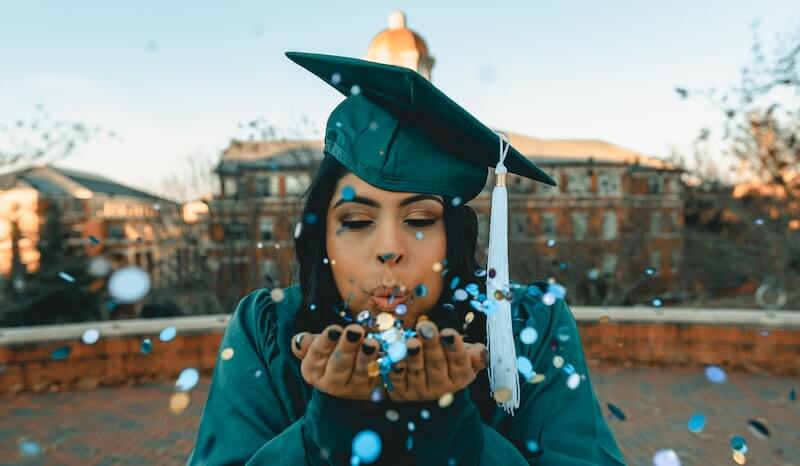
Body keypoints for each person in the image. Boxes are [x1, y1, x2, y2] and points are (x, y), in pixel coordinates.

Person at [187, 52, 625, 466]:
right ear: (323, 238)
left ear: (453, 237)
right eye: (357, 222)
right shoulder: (270, 330)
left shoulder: (525, 327)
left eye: (419, 219)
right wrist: (329, 432)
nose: (389, 248)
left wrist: (454, 435)